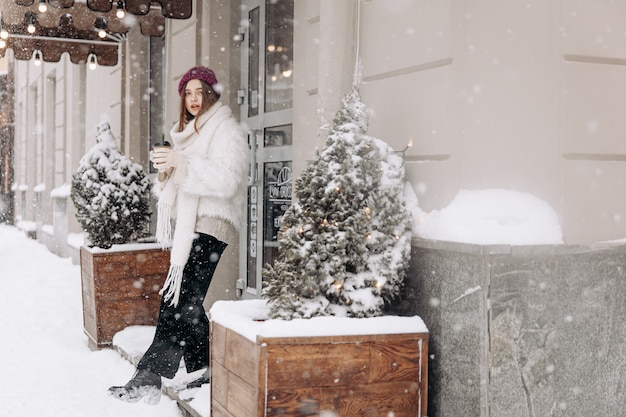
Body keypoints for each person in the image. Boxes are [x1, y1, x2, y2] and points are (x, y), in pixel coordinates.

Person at [108, 66, 249, 403]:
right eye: (188, 93)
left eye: (200, 92)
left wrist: (183, 165)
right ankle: (204, 369)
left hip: (213, 222)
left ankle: (149, 375)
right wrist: (169, 171)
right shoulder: (189, 134)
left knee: (179, 298)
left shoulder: (225, 130)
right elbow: (179, 186)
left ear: (211, 94)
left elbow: (227, 181)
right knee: (187, 300)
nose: (194, 99)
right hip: (191, 223)